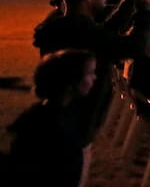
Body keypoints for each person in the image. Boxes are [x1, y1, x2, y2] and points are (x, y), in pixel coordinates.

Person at [33, 0, 150, 142]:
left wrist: (131, 0)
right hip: (75, 125)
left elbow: (106, 33)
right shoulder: (82, 32)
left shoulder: (68, 27)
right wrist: (144, 11)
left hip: (64, 120)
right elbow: (135, 47)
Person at [7, 49, 97, 187]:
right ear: (71, 81)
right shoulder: (54, 126)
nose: (94, 78)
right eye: (90, 73)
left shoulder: (45, 113)